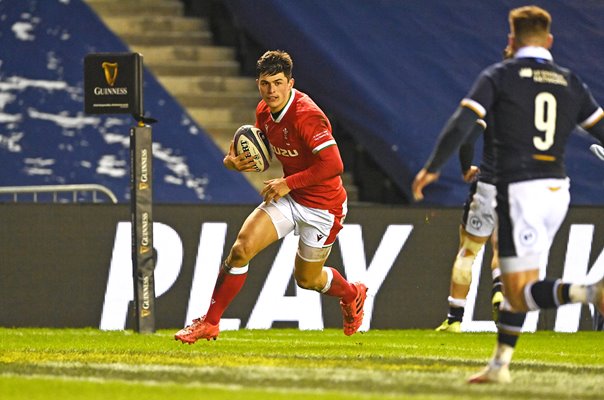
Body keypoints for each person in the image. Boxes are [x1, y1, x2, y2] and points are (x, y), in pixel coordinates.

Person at [412, 5, 604, 383]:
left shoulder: (501, 75)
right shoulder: (570, 81)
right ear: (549, 40)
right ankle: (500, 365)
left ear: (512, 40)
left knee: (517, 293)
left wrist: (432, 166)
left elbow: (463, 122)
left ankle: (592, 292)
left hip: (519, 190)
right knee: (519, 287)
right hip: (557, 192)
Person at [175, 50, 367, 344]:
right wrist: (232, 162)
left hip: (323, 207)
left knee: (307, 280)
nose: (272, 90)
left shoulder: (308, 115)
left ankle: (352, 293)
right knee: (241, 249)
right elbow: (260, 155)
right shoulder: (263, 112)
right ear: (258, 83)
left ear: (291, 83)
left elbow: (334, 165)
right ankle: (210, 323)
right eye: (266, 83)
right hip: (290, 198)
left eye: (278, 82)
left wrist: (288, 183)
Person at [434, 119, 504, 333]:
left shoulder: (493, 99)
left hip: (488, 185)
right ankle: (500, 290)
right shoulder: (531, 105)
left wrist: (466, 168)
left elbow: (467, 139)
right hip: (521, 186)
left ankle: (454, 320)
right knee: (503, 247)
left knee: (468, 251)